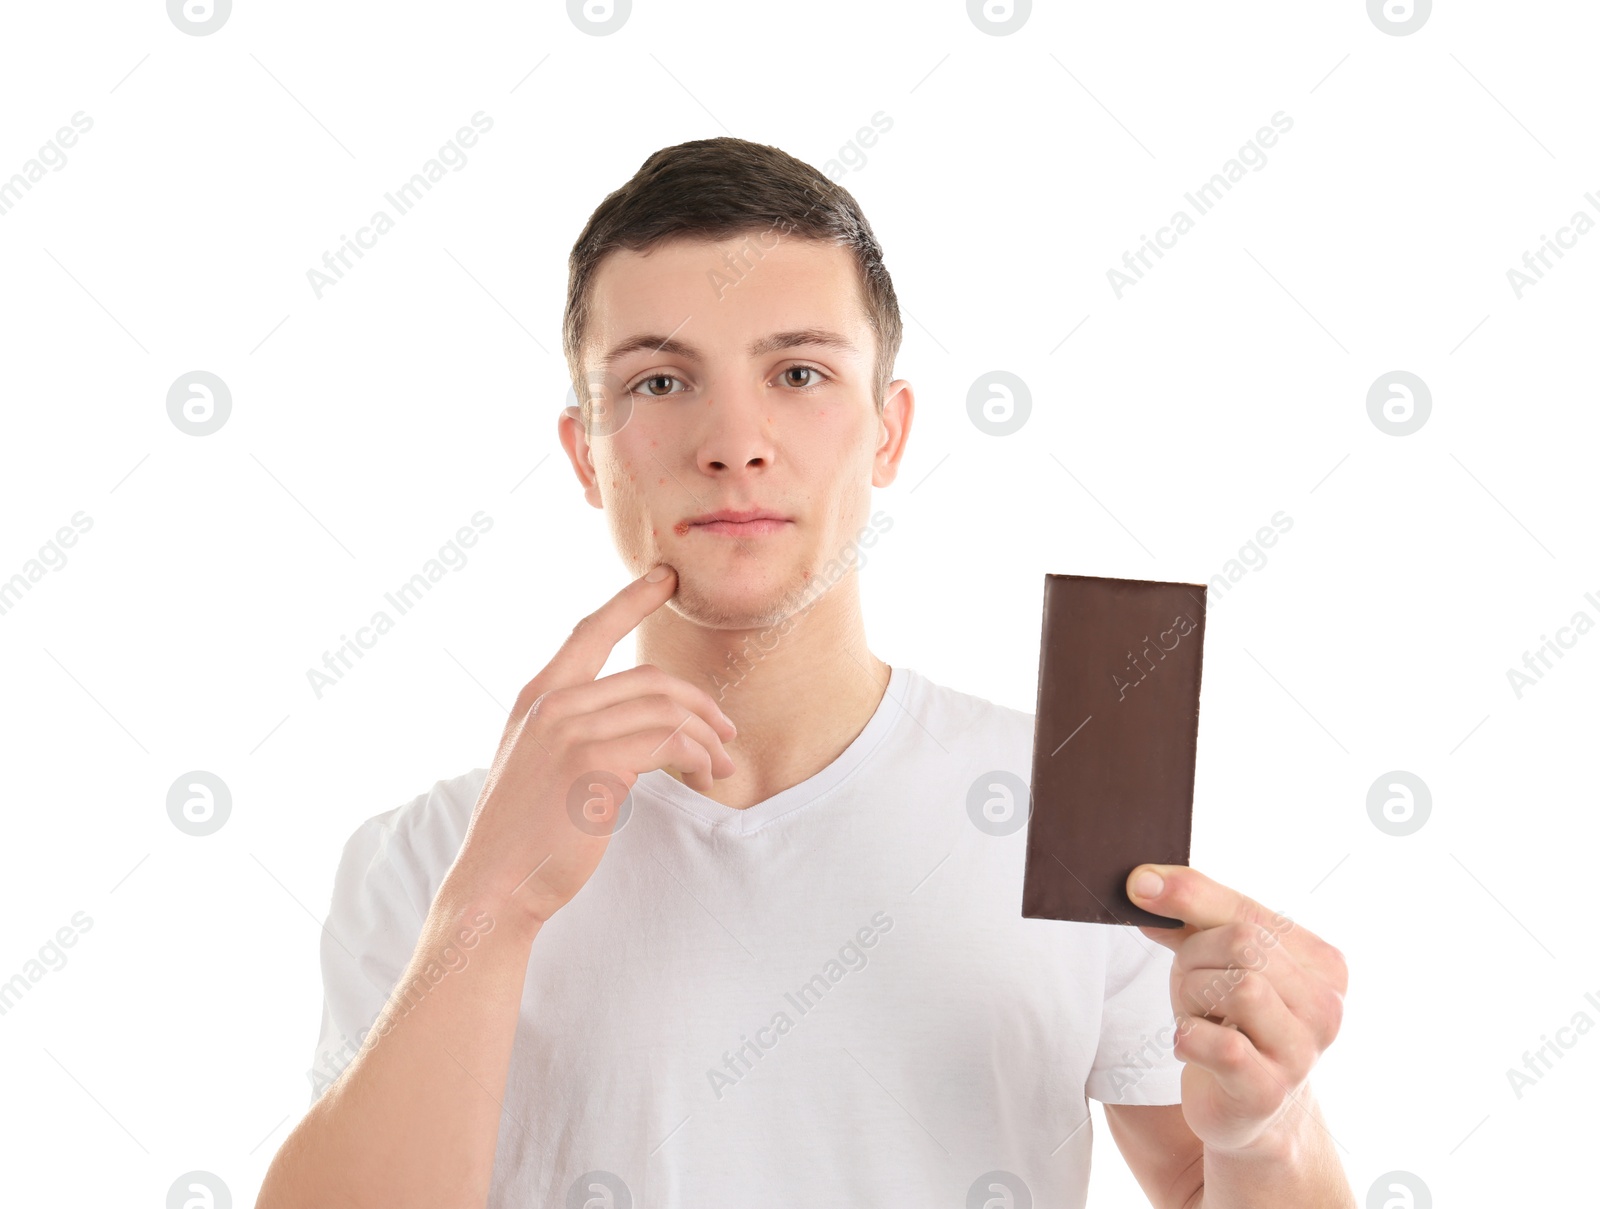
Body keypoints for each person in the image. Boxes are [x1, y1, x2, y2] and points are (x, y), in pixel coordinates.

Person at [258, 137, 1354, 1208]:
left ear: (888, 430)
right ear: (585, 451)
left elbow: (1204, 1183)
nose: (735, 440)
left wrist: (1266, 1130)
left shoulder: (1065, 806)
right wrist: (490, 910)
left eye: (797, 373)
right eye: (657, 382)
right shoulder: (429, 859)